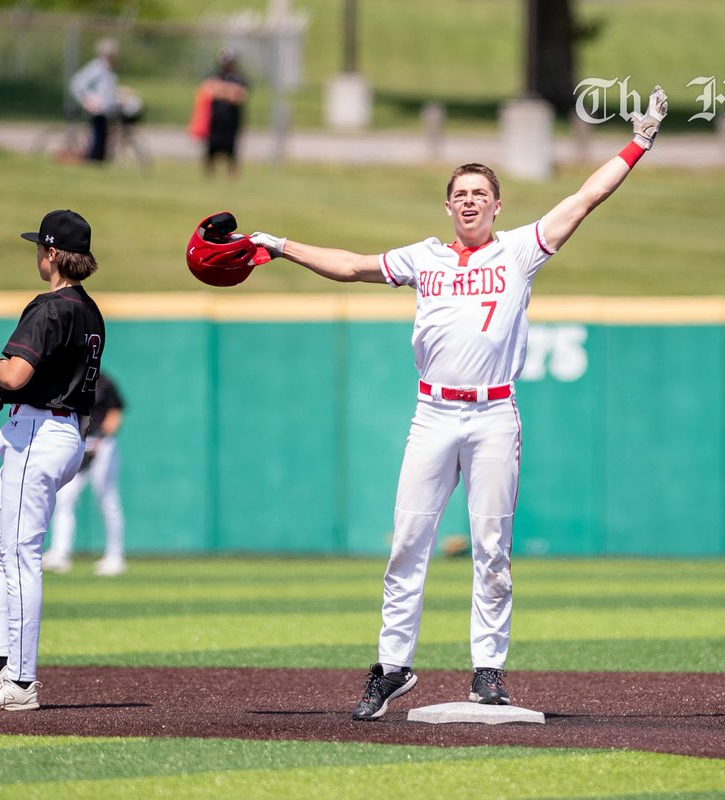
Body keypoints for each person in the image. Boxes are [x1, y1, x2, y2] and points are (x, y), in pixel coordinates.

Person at [245, 86, 668, 721]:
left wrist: (638, 143)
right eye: (461, 193)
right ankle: (391, 668)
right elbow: (351, 265)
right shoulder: (426, 257)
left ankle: (488, 671)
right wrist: (277, 244)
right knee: (408, 541)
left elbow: (584, 199)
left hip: (494, 414)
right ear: (448, 205)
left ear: (498, 205)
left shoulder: (519, 250)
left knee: (492, 547)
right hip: (433, 413)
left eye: (480, 193)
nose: (470, 201)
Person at [0, 209, 106, 711]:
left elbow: (18, 374)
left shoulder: (51, 306)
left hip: (39, 432)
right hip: (60, 432)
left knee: (19, 552)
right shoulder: (90, 311)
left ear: (49, 253)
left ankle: (20, 683)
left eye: (37, 248)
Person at [43, 373, 128, 576]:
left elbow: (115, 412)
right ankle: (60, 553)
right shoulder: (69, 379)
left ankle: (115, 556)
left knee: (107, 500)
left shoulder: (104, 381)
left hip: (101, 444)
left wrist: (99, 440)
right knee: (64, 498)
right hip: (76, 442)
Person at [69, 38, 120, 163]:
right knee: (97, 135)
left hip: (106, 109)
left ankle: (99, 160)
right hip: (97, 109)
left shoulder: (108, 70)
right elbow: (77, 83)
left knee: (104, 135)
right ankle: (92, 160)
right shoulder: (96, 68)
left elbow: (107, 90)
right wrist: (88, 98)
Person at [200, 47, 248, 178]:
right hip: (215, 119)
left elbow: (240, 95)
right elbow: (207, 90)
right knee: (211, 148)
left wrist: (220, 89)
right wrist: (230, 91)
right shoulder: (214, 74)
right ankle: (209, 176)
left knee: (231, 150)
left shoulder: (239, 77)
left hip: (232, 120)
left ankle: (232, 176)